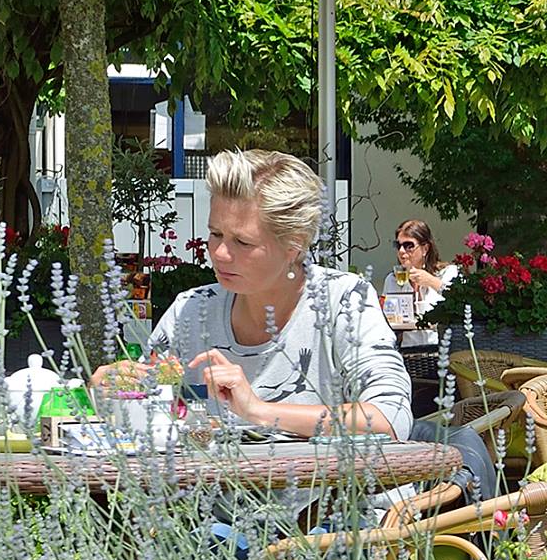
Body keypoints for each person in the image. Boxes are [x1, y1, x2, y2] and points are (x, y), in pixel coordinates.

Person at [95, 149, 410, 441]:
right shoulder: (190, 311)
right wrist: (111, 392)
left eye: (242, 242)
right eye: (215, 233)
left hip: (339, 500)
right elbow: (146, 414)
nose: (219, 253)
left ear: (294, 245)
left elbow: (389, 419)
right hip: (215, 499)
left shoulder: (344, 300)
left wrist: (258, 411)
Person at [383, 219, 457, 415]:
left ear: (425, 248)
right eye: (398, 245)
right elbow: (390, 319)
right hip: (406, 354)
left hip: (439, 353)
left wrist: (432, 282)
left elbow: (459, 301)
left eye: (408, 245)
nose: (402, 251)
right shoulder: (393, 279)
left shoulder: (446, 273)